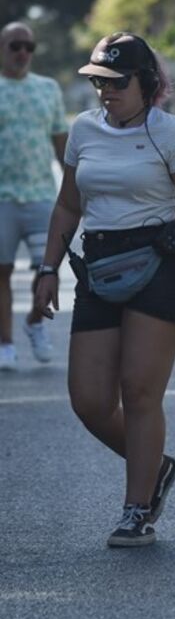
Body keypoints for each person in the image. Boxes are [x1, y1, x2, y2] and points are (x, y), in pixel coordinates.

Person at [33, 32, 175, 548]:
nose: (106, 91)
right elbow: (67, 207)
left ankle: (136, 509)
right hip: (101, 268)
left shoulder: (169, 134)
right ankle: (156, 466)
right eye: (98, 81)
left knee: (140, 391)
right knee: (88, 399)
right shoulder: (83, 130)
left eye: (116, 82)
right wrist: (47, 268)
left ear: (147, 84)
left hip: (162, 266)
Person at [0, 21, 68, 370]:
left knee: (48, 270)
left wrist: (76, 189)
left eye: (29, 46)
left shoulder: (48, 89)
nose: (23, 53)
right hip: (2, 199)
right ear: (2, 49)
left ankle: (34, 323)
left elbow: (61, 141)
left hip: (42, 195)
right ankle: (5, 343)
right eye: (15, 46)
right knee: (2, 271)